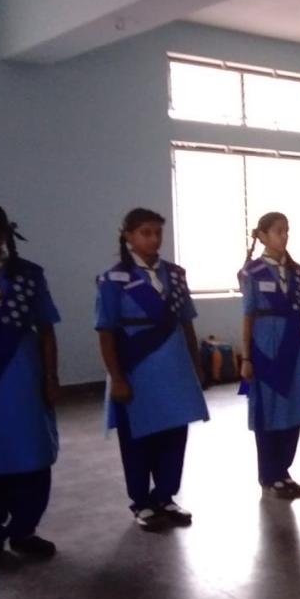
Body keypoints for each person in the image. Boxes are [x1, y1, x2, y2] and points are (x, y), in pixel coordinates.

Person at [95, 208, 208, 530]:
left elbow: (186, 323)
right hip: (137, 368)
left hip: (174, 368)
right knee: (139, 437)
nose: (154, 239)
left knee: (174, 433)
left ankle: (165, 496)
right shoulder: (113, 279)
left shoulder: (175, 275)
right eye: (146, 232)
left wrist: (196, 364)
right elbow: (106, 332)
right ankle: (141, 502)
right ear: (128, 236)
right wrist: (117, 377)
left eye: (158, 232)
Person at [0, 201, 60, 570]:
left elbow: (46, 330)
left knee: (30, 454)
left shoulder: (28, 275)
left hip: (23, 377)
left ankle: (24, 530)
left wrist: (51, 377)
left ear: (3, 232)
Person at [238, 212, 300, 498]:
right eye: (278, 231)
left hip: (293, 346)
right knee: (269, 412)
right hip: (265, 347)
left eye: (287, 230)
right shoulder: (253, 271)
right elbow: (248, 315)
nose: (284, 236)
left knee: (294, 407)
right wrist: (246, 357)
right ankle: (269, 474)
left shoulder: (296, 271)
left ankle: (283, 470)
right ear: (263, 236)